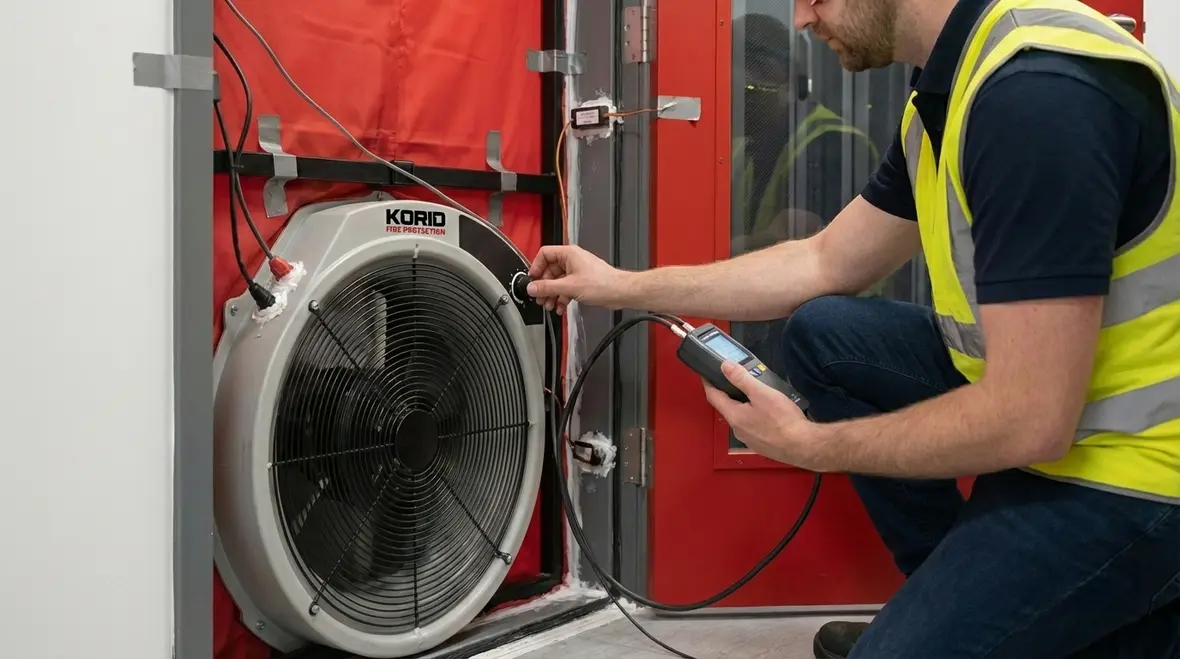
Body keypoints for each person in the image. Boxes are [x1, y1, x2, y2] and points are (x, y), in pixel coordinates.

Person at [526, 0, 1180, 657]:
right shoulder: (945, 97)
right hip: (1060, 419)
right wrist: (618, 284)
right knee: (827, 333)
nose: (801, 19)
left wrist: (811, 445)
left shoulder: (1036, 96)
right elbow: (822, 261)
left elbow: (1030, 418)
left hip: (1136, 471)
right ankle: (960, 598)